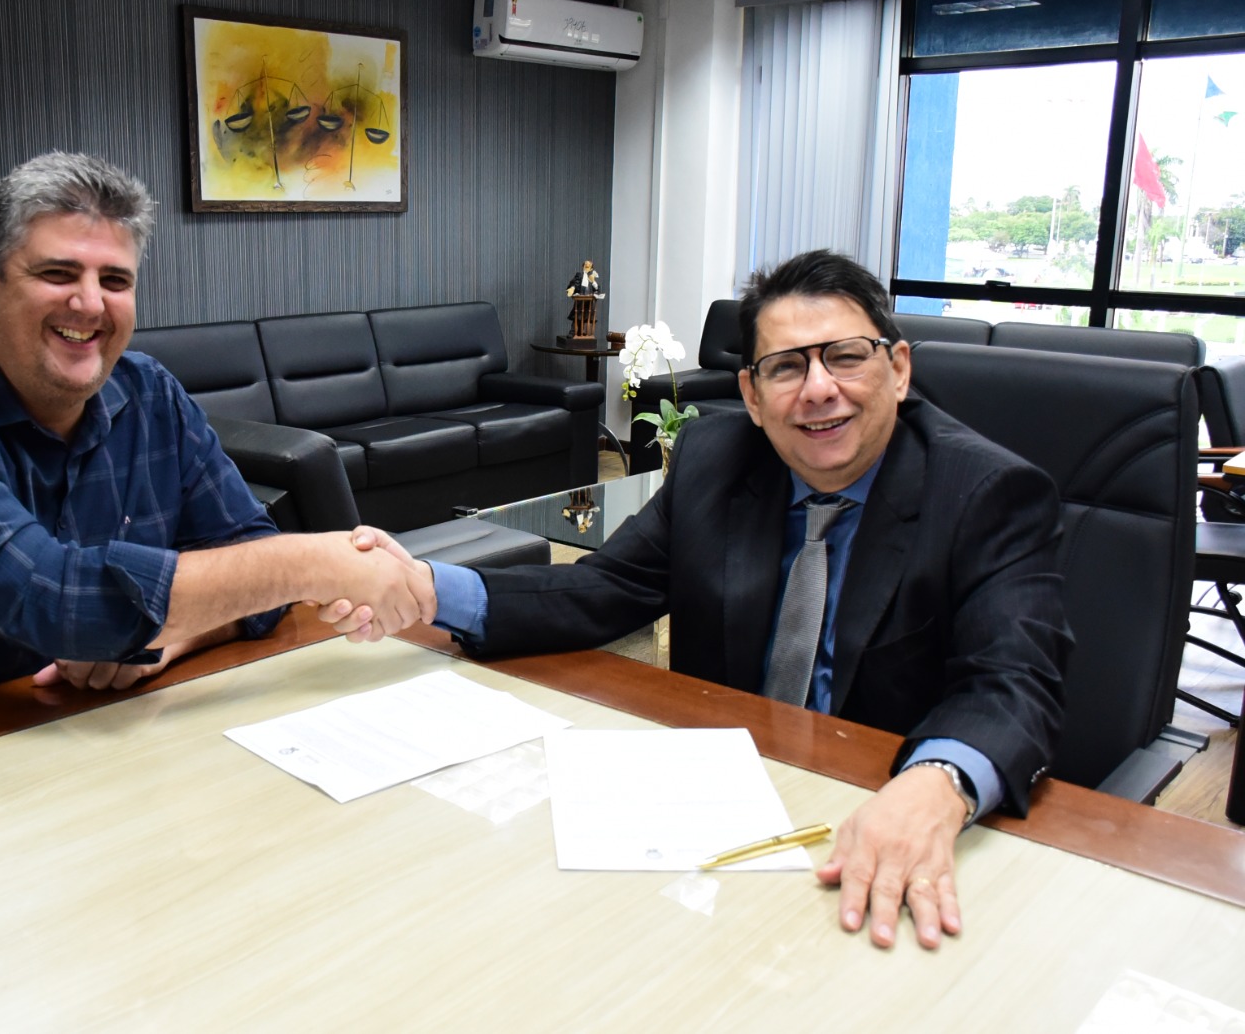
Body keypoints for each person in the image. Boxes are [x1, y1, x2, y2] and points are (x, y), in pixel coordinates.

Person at [324, 249, 1069, 951]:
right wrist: (427, 588)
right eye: (785, 367)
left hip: (885, 818)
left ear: (898, 368)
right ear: (750, 393)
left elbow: (1014, 682)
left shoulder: (985, 493)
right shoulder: (716, 459)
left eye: (844, 356)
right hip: (723, 814)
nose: (817, 389)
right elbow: (604, 589)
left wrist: (936, 786)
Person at [0, 151, 431, 736]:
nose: (89, 303)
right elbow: (51, 598)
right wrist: (318, 562)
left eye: (115, 281)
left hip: (96, 738)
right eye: (57, 272)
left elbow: (249, 561)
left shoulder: (149, 392)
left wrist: (169, 636)